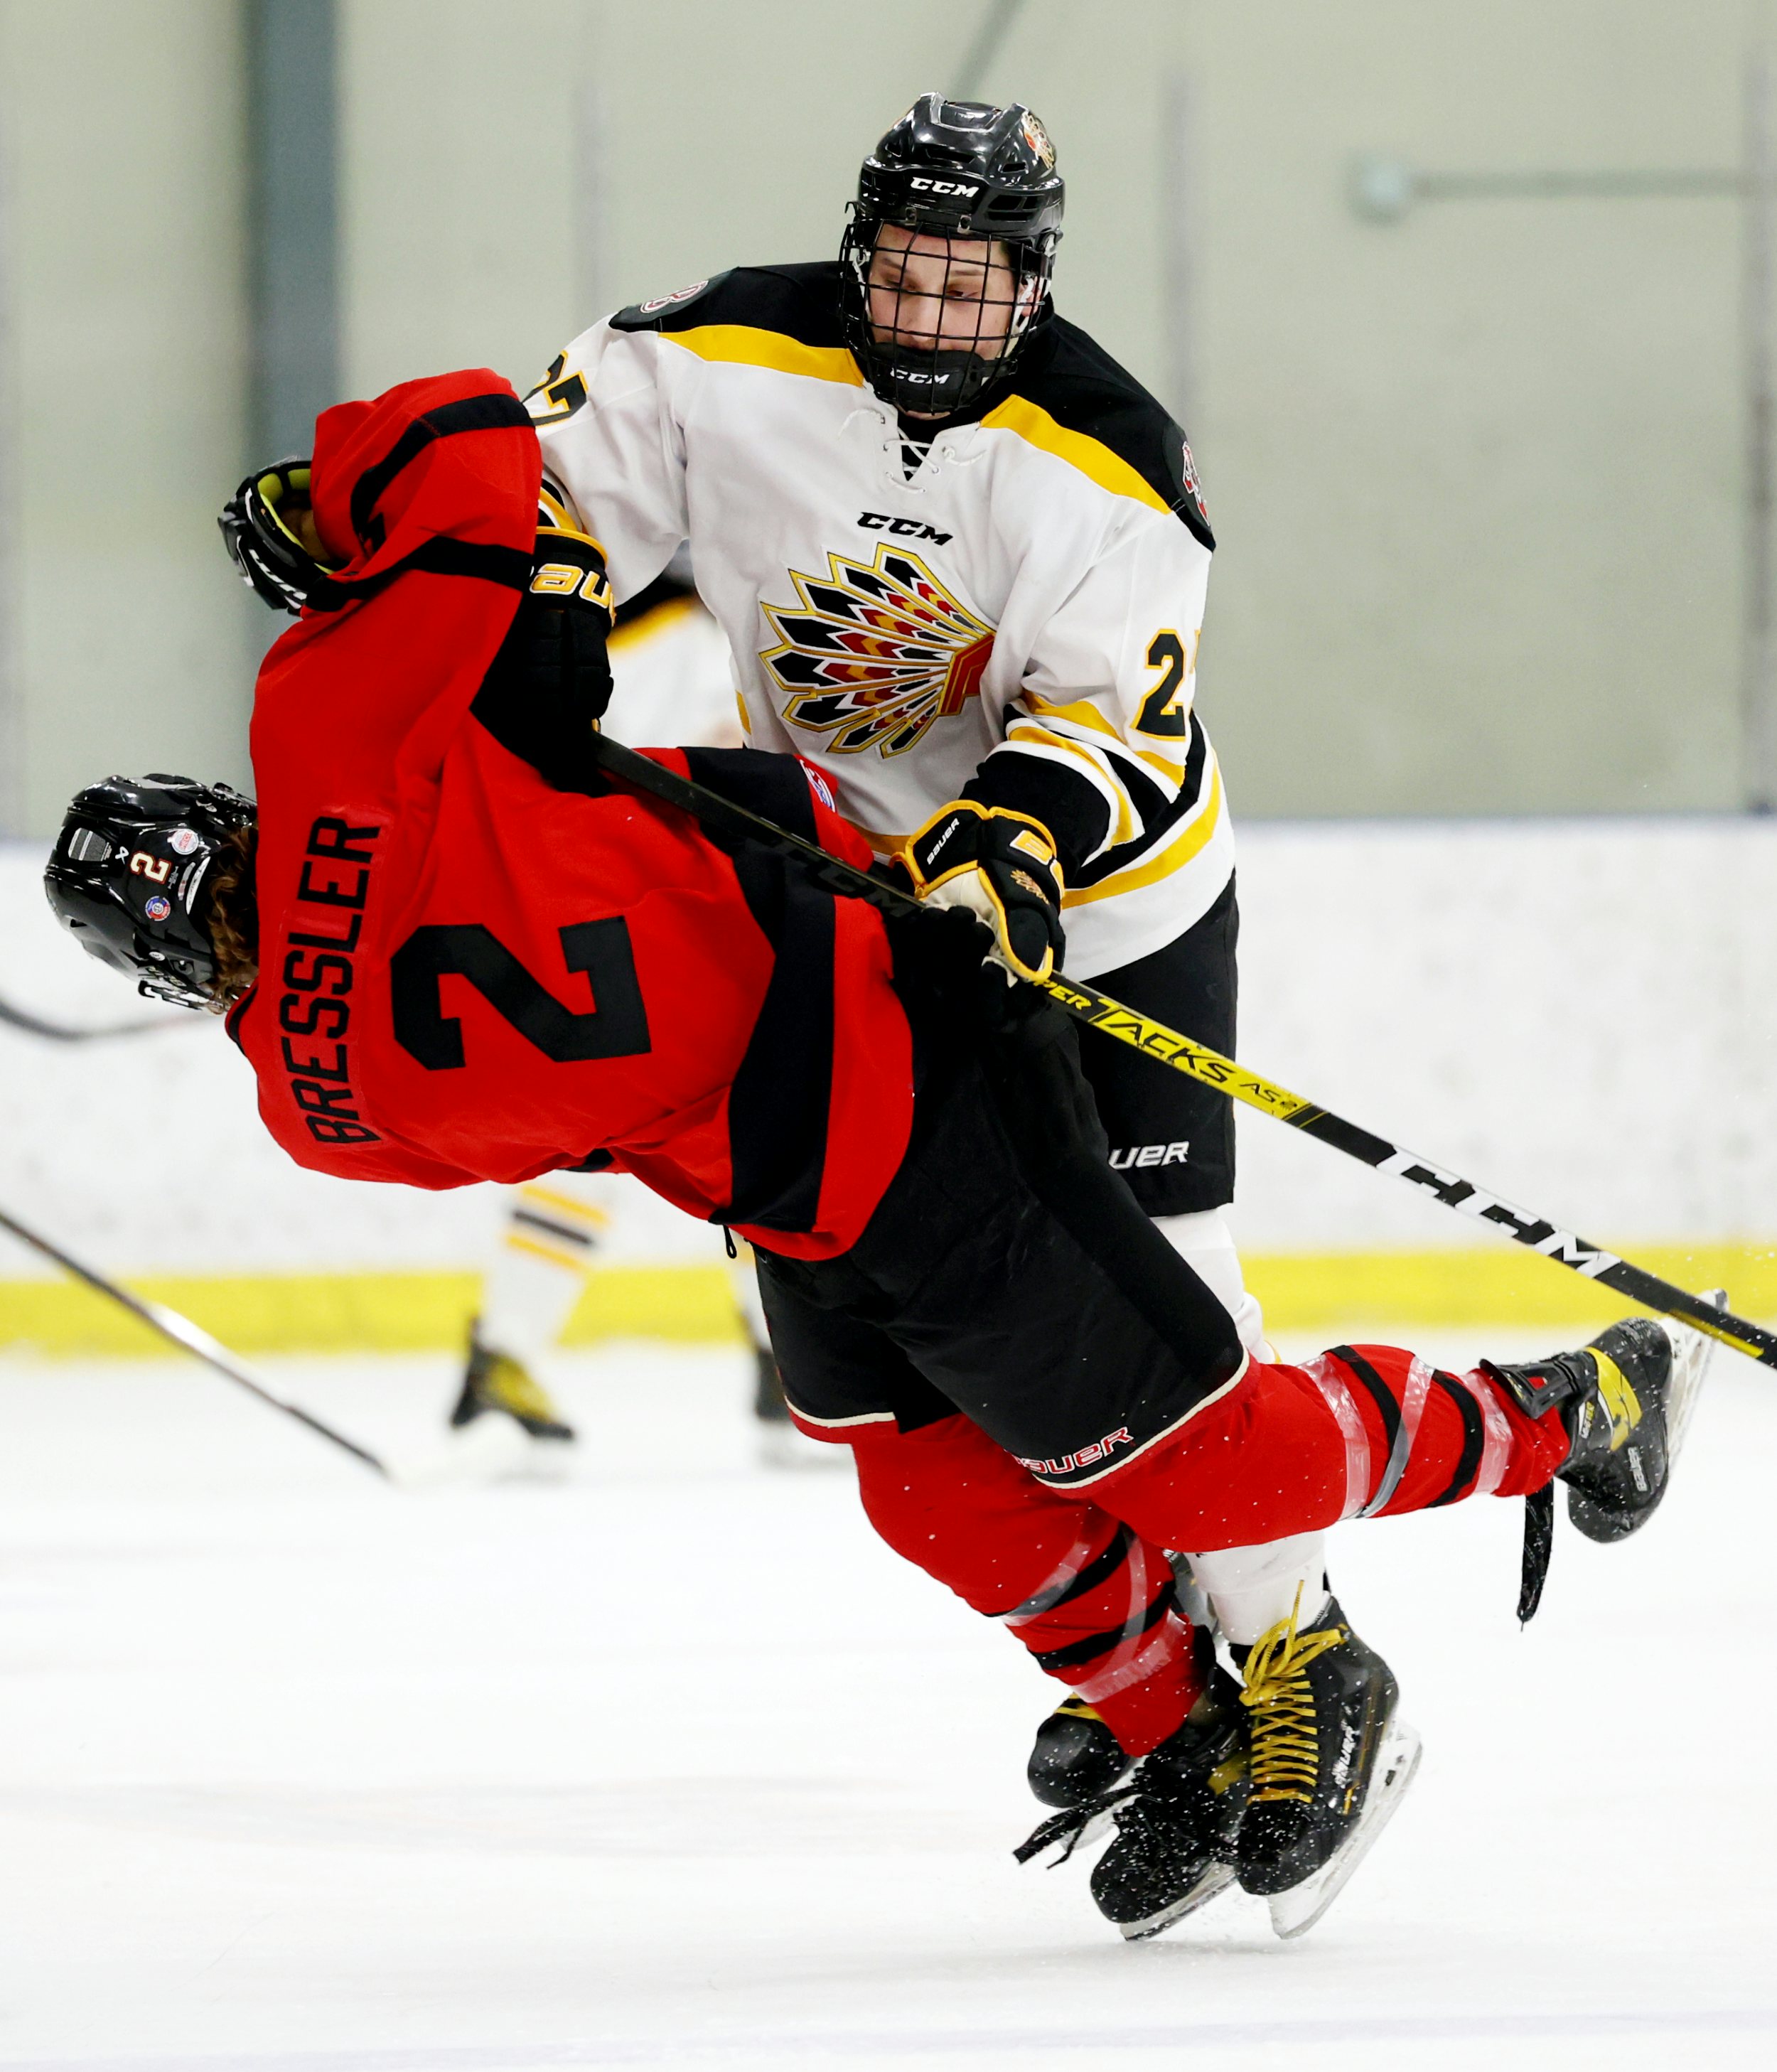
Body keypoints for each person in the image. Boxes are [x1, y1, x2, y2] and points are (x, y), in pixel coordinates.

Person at [48, 365, 1709, 1939]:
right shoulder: (337, 729)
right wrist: (345, 520)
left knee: (1174, 1456)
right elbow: (457, 428)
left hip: (903, 1060)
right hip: (813, 1092)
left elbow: (498, 1052)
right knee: (926, 1492)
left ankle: (1572, 1412)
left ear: (168, 974)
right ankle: (1184, 1726)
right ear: (235, 811)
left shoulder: (311, 1106)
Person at [519, 90, 1338, 1831]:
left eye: (973, 286)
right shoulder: (722, 353)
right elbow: (547, 483)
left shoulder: (1106, 454)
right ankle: (1164, 1676)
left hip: (1115, 906)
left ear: (1032, 283)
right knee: (931, 1353)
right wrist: (508, 599)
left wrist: (1015, 843)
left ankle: (1301, 1653)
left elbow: (1110, 712)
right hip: (858, 909)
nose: (931, 319)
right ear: (859, 251)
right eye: (905, 274)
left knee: (1161, 1310)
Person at [446, 559, 825, 1466]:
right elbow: (676, 790)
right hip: (644, 933)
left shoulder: (583, 640)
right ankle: (512, 1347)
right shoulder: (680, 644)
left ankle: (774, 1360)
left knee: (712, 1145)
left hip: (607, 926)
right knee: (735, 1142)